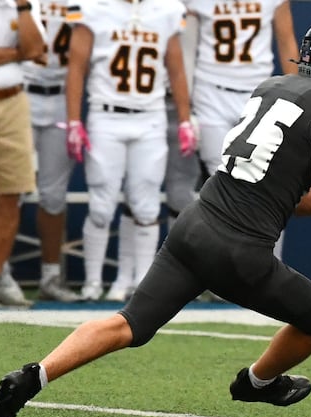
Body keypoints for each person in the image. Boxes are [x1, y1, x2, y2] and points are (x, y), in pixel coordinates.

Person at [0, 16, 311, 417]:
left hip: (194, 227)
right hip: (240, 252)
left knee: (129, 324)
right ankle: (257, 382)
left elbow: (284, 193)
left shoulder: (274, 87)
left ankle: (31, 378)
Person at [64, 0, 197, 301]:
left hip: (150, 117)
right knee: (101, 204)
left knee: (146, 204)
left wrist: (185, 119)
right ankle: (92, 282)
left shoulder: (166, 10)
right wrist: (73, 120)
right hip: (106, 114)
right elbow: (76, 68)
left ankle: (142, 282)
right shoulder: (93, 7)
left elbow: (176, 71)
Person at [184, 0, 298, 260]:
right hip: (210, 92)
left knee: (265, 181)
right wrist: (186, 109)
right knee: (220, 183)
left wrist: (297, 98)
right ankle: (219, 267)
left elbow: (287, 42)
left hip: (259, 93)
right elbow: (188, 49)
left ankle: (267, 265)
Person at [0, 0, 45, 307]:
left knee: (9, 191)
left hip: (14, 100)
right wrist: (17, 54)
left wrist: (22, 6)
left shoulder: (25, 4)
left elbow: (36, 48)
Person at [23, 0, 83, 303]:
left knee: (54, 195)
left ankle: (50, 276)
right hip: (20, 91)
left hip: (62, 97)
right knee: (7, 191)